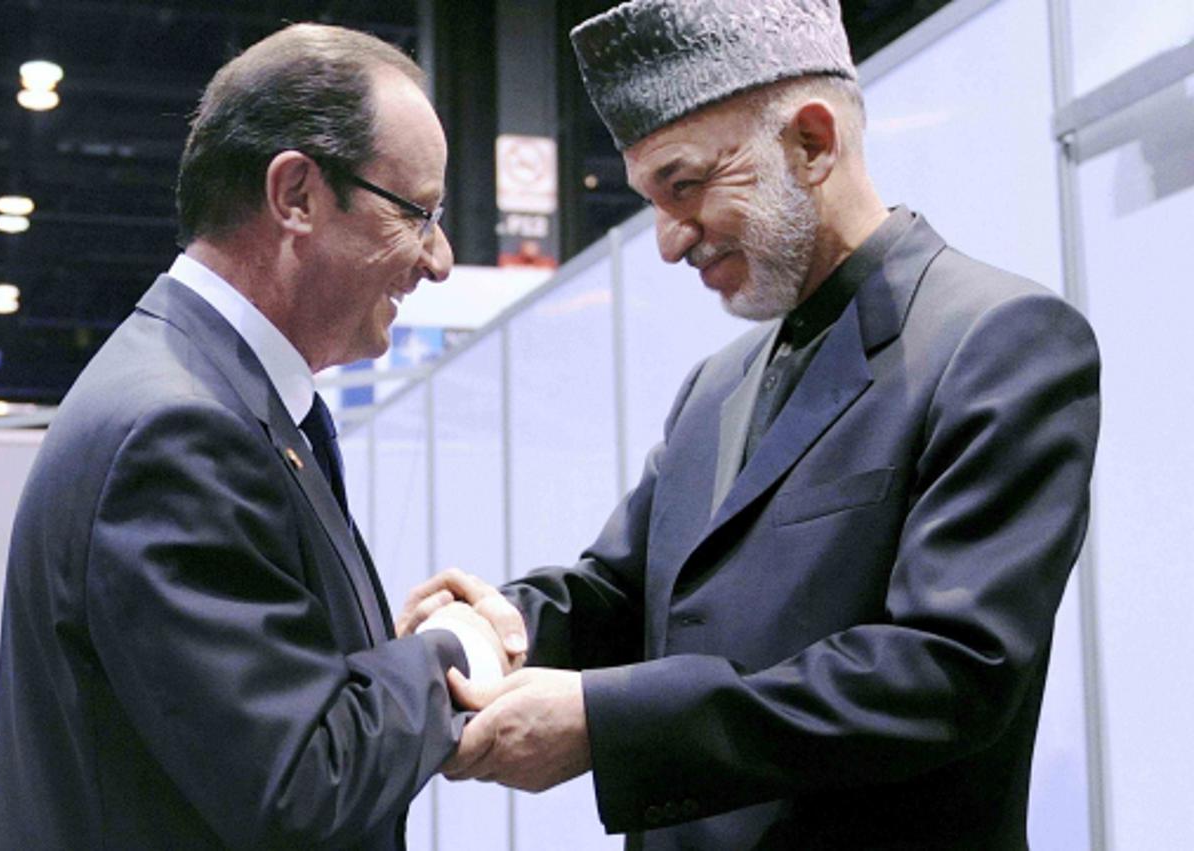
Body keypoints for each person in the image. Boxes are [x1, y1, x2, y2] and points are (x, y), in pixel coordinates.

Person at [401, 1, 1102, 848]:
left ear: (812, 142)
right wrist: (496, 626)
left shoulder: (998, 341)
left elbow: (947, 671)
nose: (665, 241)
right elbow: (622, 591)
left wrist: (606, 723)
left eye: (685, 185)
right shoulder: (716, 385)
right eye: (651, 199)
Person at [0, 23, 525, 850]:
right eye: (418, 213)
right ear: (297, 195)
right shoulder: (180, 428)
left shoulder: (218, 394)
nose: (439, 258)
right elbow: (301, 780)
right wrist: (455, 649)